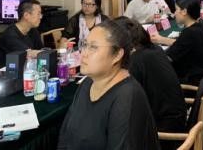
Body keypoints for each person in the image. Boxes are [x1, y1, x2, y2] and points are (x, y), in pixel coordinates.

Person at [57, 20, 160, 150]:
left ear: (117, 55)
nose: (83, 54)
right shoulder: (88, 82)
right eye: (85, 45)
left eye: (93, 47)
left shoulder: (127, 97)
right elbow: (66, 135)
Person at [114, 17, 186, 136]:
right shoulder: (155, 49)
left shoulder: (136, 60)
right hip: (175, 120)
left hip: (162, 131)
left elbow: (129, 104)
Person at [150, 0, 203, 85]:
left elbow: (166, 59)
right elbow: (181, 44)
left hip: (200, 84)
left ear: (184, 11)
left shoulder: (190, 33)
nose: (174, 13)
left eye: (176, 10)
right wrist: (161, 40)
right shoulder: (201, 25)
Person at [0, 0, 44, 69]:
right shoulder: (10, 35)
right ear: (26, 15)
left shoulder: (33, 31)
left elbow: (41, 50)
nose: (41, 17)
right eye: (38, 14)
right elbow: (29, 54)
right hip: (4, 73)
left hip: (24, 68)